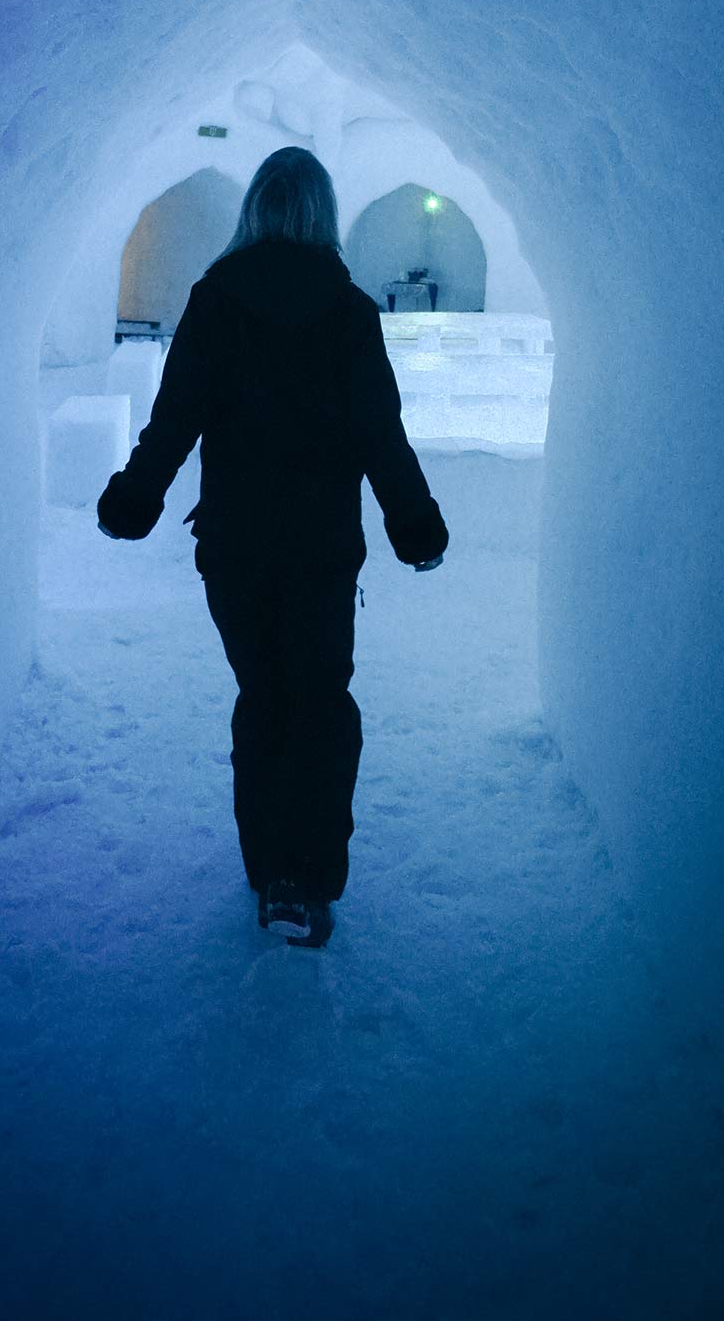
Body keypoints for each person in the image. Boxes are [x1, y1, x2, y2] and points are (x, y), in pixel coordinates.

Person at [96, 146, 448, 948]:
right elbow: (379, 435)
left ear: (255, 206)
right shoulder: (350, 310)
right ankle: (307, 875)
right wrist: (415, 525)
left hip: (237, 549)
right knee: (321, 703)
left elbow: (174, 419)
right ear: (321, 211)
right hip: (322, 550)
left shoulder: (216, 301)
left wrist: (134, 499)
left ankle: (270, 872)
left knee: (265, 700)